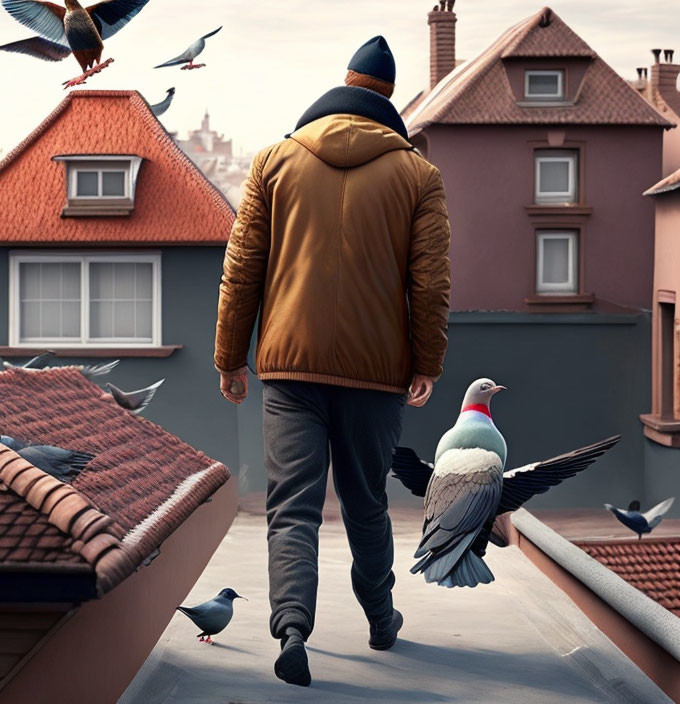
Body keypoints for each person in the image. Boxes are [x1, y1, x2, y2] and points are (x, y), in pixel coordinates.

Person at [213, 35, 451, 687]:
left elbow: (242, 272)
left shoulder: (273, 162)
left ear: (341, 84)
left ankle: (293, 628)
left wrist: (230, 357)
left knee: (292, 507)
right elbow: (429, 282)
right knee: (366, 503)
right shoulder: (418, 175)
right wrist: (426, 359)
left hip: (290, 369)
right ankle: (380, 619)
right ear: (389, 98)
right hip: (377, 374)